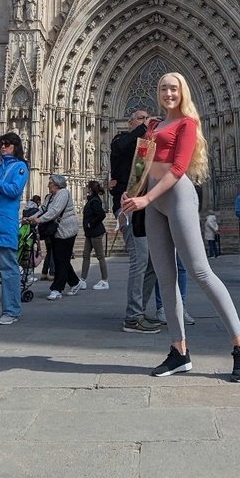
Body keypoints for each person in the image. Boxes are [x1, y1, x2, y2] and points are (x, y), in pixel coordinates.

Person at [121, 71, 240, 383]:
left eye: (174, 88)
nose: (168, 93)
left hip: (176, 196)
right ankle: (179, 351)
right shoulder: (154, 125)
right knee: (165, 279)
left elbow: (179, 168)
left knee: (200, 271)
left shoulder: (187, 123)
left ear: (182, 92)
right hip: (153, 200)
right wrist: (131, 193)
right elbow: (142, 163)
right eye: (163, 88)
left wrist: (147, 199)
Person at [110, 108, 160, 334]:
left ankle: (138, 311)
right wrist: (145, 127)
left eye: (148, 119)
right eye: (141, 118)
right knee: (140, 259)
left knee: (151, 262)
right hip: (127, 206)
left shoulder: (146, 146)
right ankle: (132, 318)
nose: (146, 121)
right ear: (130, 123)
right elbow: (122, 147)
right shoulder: (120, 140)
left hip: (145, 207)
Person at [0, 131, 30, 325]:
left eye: (7, 144)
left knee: (8, 268)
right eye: (1, 144)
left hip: (6, 222)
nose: (3, 147)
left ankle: (12, 310)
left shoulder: (20, 167)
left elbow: (14, 190)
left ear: (15, 146)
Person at [31, 175, 81, 300]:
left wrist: (39, 220)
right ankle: (75, 282)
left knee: (61, 259)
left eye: (50, 183)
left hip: (67, 230)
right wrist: (32, 218)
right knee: (60, 258)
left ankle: (57, 289)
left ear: (57, 184)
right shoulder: (50, 197)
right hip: (56, 231)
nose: (48, 185)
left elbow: (55, 211)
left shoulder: (63, 193)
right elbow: (43, 209)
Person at [78, 181, 110, 290]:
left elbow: (101, 214)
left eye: (88, 187)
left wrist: (91, 223)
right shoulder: (92, 200)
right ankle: (82, 279)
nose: (86, 188)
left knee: (100, 256)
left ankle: (105, 280)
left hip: (95, 232)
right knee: (86, 255)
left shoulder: (94, 201)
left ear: (90, 188)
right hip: (90, 233)